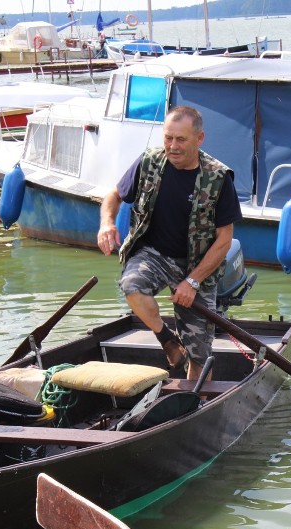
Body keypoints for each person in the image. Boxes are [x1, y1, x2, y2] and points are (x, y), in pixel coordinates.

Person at [97, 106, 242, 380]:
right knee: (132, 286)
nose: (172, 147)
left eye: (181, 140)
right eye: (168, 138)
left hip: (197, 265)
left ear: (199, 139)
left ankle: (194, 404)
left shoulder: (218, 178)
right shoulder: (149, 162)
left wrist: (193, 282)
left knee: (199, 355)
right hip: (155, 255)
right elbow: (114, 195)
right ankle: (167, 340)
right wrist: (107, 223)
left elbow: (225, 239)